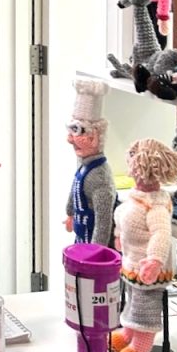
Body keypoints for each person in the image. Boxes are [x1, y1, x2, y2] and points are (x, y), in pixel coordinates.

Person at [112, 138, 177, 352]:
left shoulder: (156, 205)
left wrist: (155, 260)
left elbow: (161, 234)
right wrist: (119, 234)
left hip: (148, 268)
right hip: (133, 263)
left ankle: (140, 348)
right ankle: (127, 335)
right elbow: (124, 214)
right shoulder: (137, 196)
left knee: (145, 309)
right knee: (133, 302)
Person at [64, 79, 115, 248]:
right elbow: (75, 189)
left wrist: (96, 250)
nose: (70, 140)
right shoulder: (84, 166)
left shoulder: (100, 177)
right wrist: (70, 213)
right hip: (81, 233)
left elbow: (103, 221)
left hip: (91, 241)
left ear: (96, 136)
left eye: (78, 131)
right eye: (71, 130)